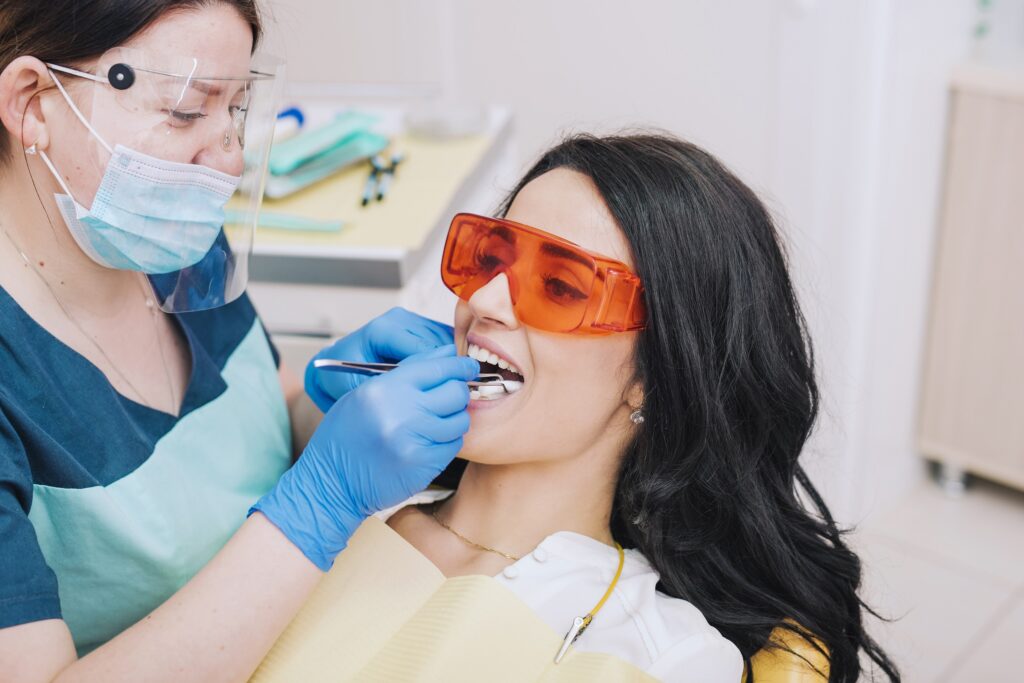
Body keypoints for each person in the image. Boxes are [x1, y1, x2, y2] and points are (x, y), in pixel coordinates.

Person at [298, 134, 901, 682]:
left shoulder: (665, 656)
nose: (484, 300)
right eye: (490, 257)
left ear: (653, 378)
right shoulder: (337, 504)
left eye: (560, 287)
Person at [0, 2, 478, 681]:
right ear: (32, 102)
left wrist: (327, 406)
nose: (227, 159)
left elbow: (262, 407)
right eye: (189, 110)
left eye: (236, 110)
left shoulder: (166, 237)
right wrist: (320, 499)